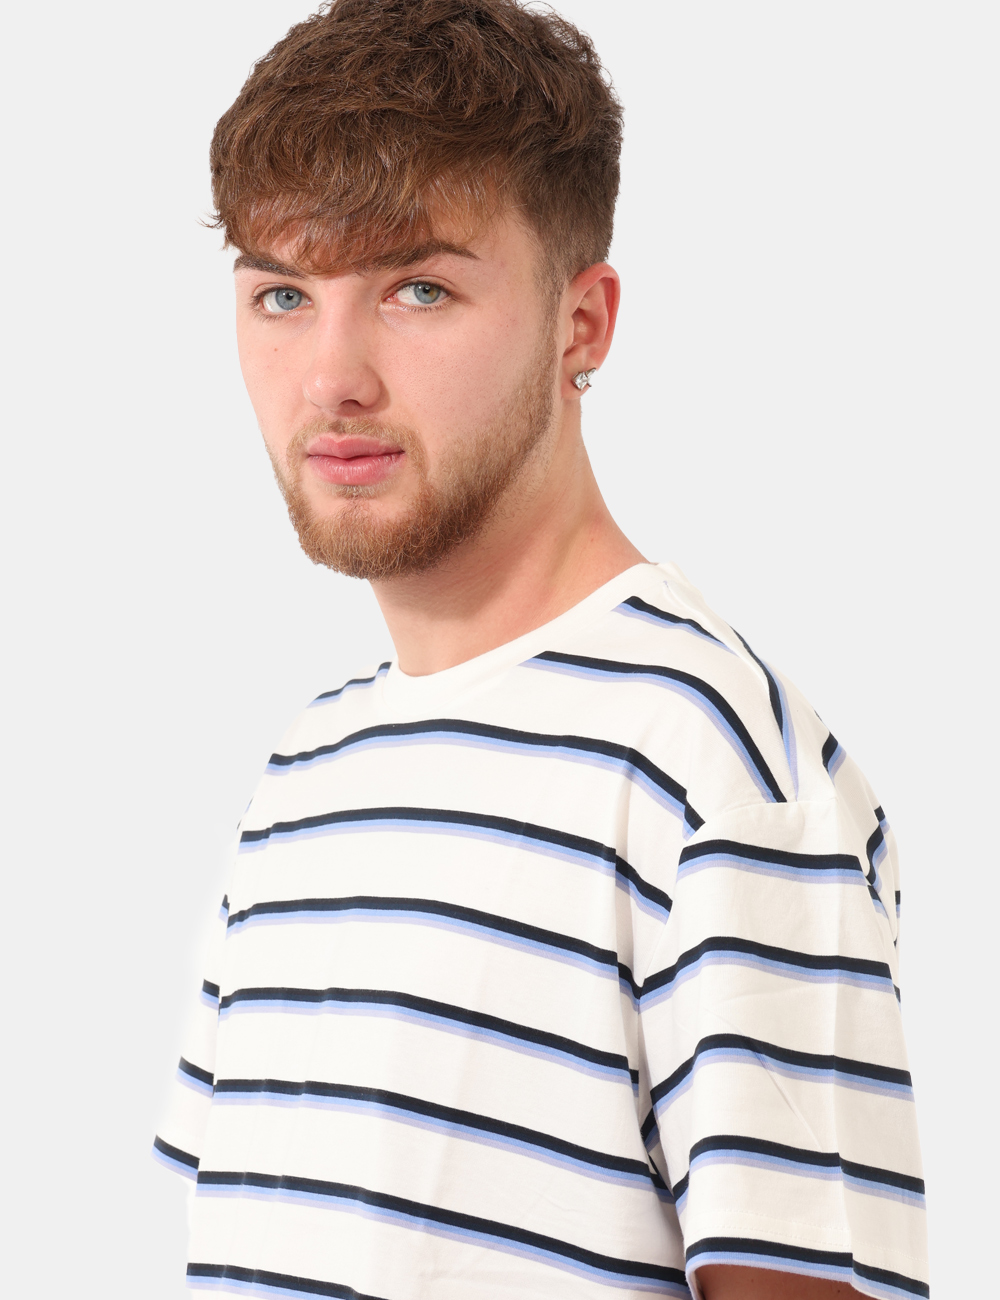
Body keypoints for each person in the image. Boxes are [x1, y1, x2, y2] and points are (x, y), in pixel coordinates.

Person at [153, 2, 928, 1297]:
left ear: (583, 324)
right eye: (282, 294)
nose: (331, 378)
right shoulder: (307, 773)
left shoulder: (708, 763)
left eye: (418, 289)